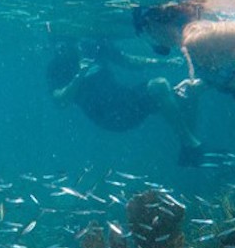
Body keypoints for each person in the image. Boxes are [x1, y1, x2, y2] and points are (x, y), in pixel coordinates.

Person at [133, 1, 235, 130]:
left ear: (152, 24)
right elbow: (228, 62)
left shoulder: (195, 39)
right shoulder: (189, 44)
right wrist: (205, 84)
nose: (153, 41)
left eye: (147, 33)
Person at [47, 37, 204, 166]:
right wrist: (79, 76)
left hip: (125, 100)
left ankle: (188, 150)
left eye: (63, 41)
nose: (59, 47)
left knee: (186, 91)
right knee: (162, 87)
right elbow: (60, 101)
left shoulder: (93, 45)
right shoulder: (56, 67)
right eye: (54, 43)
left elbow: (128, 61)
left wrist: (164, 62)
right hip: (107, 117)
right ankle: (192, 146)